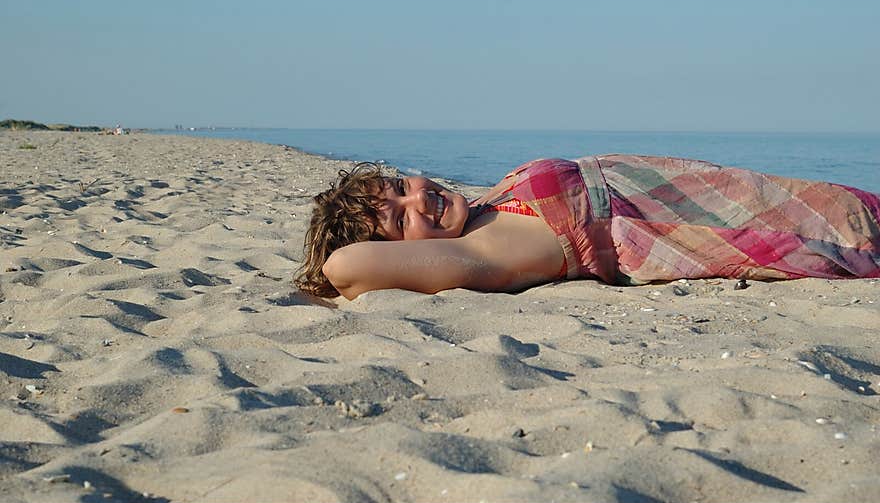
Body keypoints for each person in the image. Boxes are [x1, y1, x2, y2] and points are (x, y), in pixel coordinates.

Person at [295, 154, 880, 300]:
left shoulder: (487, 205)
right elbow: (342, 268)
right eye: (398, 222)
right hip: (745, 230)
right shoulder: (484, 251)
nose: (418, 200)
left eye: (401, 187)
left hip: (739, 193)